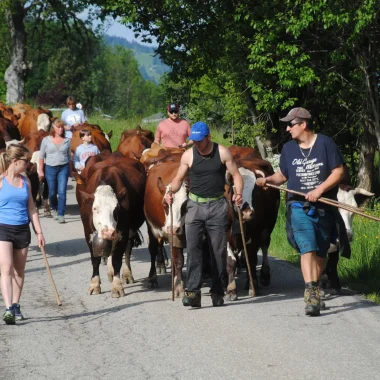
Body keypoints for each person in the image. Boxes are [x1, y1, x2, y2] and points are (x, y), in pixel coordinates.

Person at [256, 107, 346, 316]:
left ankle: (314, 286)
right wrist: (268, 180)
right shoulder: (288, 149)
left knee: (321, 251)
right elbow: (282, 175)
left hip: (324, 205)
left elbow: (338, 171)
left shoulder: (325, 144)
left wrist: (319, 190)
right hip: (298, 205)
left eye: (290, 124)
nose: (287, 129)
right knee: (307, 247)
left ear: (303, 124)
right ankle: (312, 292)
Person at [164, 122, 243, 308]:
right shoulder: (188, 155)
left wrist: (238, 193)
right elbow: (178, 178)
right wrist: (170, 191)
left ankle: (217, 290)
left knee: (218, 251)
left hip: (217, 205)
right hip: (194, 206)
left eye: (200, 140)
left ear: (208, 137)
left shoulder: (222, 152)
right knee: (193, 249)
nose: (197, 144)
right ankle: (193, 293)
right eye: (194, 141)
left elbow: (237, 175)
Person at [0, 144, 45, 325]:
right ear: (15, 161)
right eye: (26, 161)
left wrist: (39, 232)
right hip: (3, 228)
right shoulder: (1, 181)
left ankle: (16, 304)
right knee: (6, 268)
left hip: (22, 229)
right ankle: (8, 308)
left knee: (19, 271)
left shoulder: (26, 182)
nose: (28, 164)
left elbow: (32, 208)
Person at [38, 119, 73, 224]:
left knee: (62, 192)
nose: (61, 129)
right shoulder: (46, 140)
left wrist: (70, 171)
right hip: (50, 168)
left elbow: (69, 157)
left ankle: (61, 214)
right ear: (53, 128)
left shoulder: (67, 141)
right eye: (58, 127)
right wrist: (40, 170)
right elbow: (41, 157)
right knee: (52, 192)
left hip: (63, 168)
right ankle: (55, 208)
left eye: (62, 127)